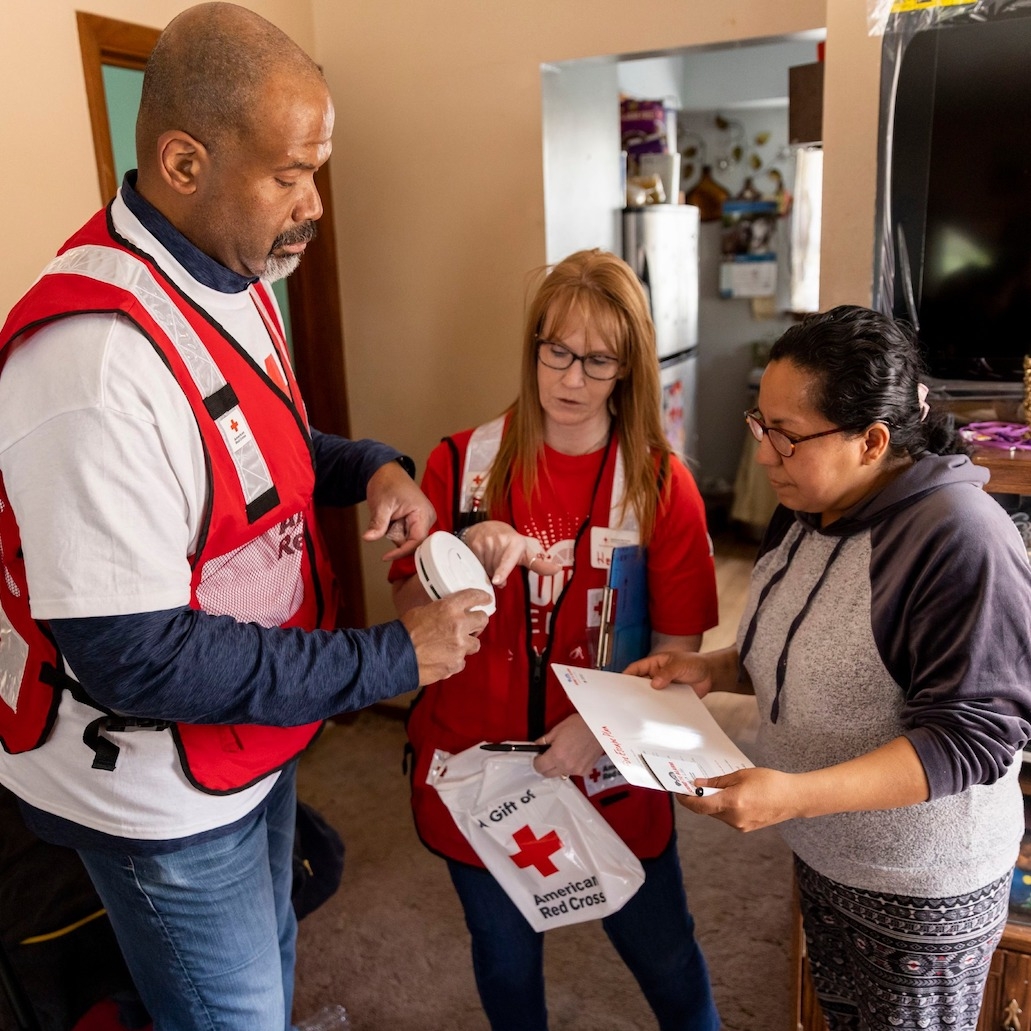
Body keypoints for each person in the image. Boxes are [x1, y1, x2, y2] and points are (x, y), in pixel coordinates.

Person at [0, 5, 489, 1030]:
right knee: (229, 1010)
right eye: (289, 174)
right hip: (155, 775)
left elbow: (254, 453)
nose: (315, 202)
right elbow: (134, 655)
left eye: (319, 167)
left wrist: (375, 469)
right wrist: (392, 659)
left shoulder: (230, 267)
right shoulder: (90, 366)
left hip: (249, 729)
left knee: (272, 939)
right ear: (183, 160)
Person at [629, 304, 1031, 1031]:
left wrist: (793, 795)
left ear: (872, 440)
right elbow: (810, 648)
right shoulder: (812, 503)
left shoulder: (959, 540)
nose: (762, 456)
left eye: (784, 437)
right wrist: (713, 668)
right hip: (827, 852)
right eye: (761, 425)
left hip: (916, 884)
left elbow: (971, 738)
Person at [390, 249, 721, 1031]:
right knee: (504, 962)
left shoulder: (660, 486)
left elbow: (682, 661)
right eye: (556, 352)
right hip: (476, 778)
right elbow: (405, 601)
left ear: (627, 368)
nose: (571, 380)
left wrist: (598, 731)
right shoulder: (459, 463)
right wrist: (464, 551)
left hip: (611, 777)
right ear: (533, 346)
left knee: (667, 957)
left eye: (597, 361)